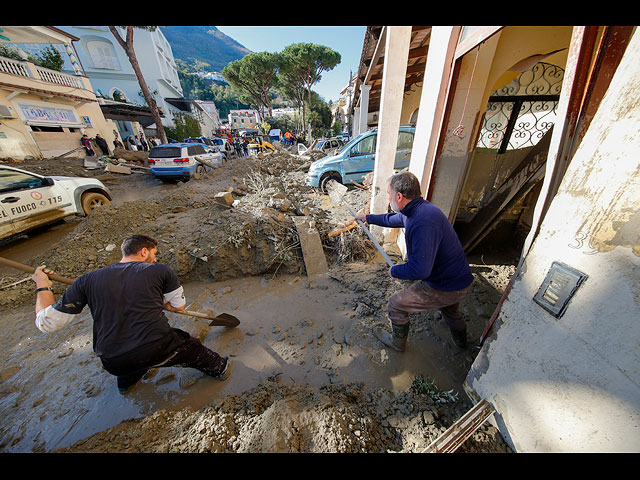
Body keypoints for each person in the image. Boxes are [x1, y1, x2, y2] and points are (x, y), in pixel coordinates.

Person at [31, 234, 233, 394]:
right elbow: (179, 306)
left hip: (112, 361)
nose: (155, 259)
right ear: (144, 251)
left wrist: (42, 286)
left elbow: (47, 322)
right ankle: (221, 369)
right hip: (157, 347)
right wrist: (165, 304)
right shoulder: (160, 271)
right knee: (192, 347)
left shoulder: (87, 281)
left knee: (129, 357)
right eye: (154, 254)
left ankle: (126, 386)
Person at [355, 171, 474, 352]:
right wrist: (368, 218)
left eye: (388, 194)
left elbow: (420, 270)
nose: (388, 198)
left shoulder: (422, 222)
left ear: (399, 196)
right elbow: (393, 218)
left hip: (445, 284)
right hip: (458, 279)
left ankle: (398, 344)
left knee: (396, 304)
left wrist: (396, 271)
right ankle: (463, 345)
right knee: (450, 311)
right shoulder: (418, 209)